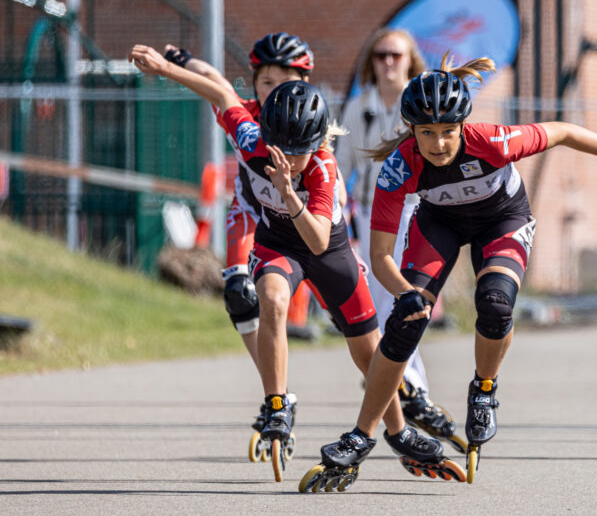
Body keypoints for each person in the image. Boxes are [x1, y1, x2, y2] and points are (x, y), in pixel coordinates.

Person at [300, 53, 597, 491]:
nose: (438, 144)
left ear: (463, 125)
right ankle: (363, 435)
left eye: (448, 131)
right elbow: (380, 256)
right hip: (441, 225)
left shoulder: (492, 141)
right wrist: (405, 293)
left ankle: (484, 389)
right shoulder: (398, 167)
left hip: (501, 219)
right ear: (411, 129)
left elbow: (563, 132)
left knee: (495, 303)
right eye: (427, 133)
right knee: (404, 322)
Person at [130, 46, 450, 483]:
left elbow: (317, 240)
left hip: (328, 251)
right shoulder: (251, 139)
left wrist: (287, 191)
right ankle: (277, 404)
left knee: (369, 352)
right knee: (271, 298)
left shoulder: (322, 167)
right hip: (279, 243)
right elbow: (221, 94)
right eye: (283, 149)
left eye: (302, 151)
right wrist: (166, 68)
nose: (293, 160)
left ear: (317, 144)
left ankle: (398, 433)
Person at [161, 33, 319, 455]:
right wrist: (184, 60)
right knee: (239, 294)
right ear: (254, 84)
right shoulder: (244, 114)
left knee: (339, 305)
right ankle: (277, 395)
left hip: (301, 219)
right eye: (266, 82)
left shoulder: (309, 116)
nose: (275, 90)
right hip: (251, 213)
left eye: (285, 81)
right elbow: (215, 83)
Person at [337, 28, 464, 452]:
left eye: (395, 54)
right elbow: (341, 166)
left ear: (410, 59)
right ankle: (411, 390)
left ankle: (410, 388)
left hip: (416, 210)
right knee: (385, 305)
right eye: (380, 55)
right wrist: (335, 206)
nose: (388, 62)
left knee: (403, 303)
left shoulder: (423, 102)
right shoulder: (359, 107)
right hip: (371, 215)